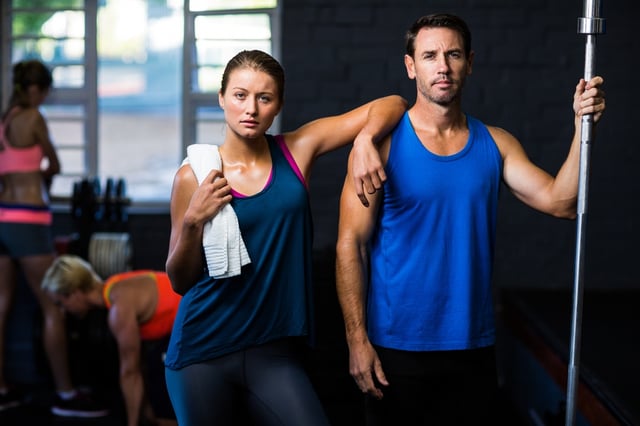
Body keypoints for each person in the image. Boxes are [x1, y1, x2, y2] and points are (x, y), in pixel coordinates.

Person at [335, 13, 606, 426]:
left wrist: (579, 127)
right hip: (395, 349)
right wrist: (356, 340)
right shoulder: (380, 148)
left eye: (453, 54)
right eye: (429, 56)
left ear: (470, 62)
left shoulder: (496, 144)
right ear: (411, 67)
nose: (442, 66)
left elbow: (561, 202)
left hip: (472, 348)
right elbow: (349, 245)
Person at [163, 49, 407, 426]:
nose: (251, 108)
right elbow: (179, 282)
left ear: (278, 104)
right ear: (222, 98)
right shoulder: (194, 177)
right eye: (240, 95)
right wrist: (194, 221)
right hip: (202, 350)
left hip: (272, 352)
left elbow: (392, 103)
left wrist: (364, 140)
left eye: (265, 98)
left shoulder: (297, 150)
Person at [0, 59, 108, 417]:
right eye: (45, 90)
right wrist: (40, 184)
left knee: (2, 305)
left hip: (2, 215)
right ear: (37, 89)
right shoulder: (33, 117)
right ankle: (65, 394)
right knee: (53, 306)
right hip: (29, 219)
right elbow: (55, 165)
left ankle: (2, 389)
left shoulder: (5, 120)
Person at [42, 254, 180, 426]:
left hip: (199, 322)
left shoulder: (118, 309)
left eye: (61, 303)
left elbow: (130, 372)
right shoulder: (114, 284)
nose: (63, 311)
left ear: (75, 293)